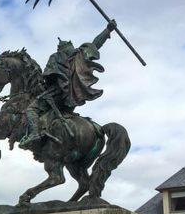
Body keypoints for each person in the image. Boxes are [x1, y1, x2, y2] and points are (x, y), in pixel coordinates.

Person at [20, 20, 117, 149]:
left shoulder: (57, 56)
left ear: (61, 49)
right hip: (70, 100)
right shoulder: (80, 55)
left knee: (31, 109)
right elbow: (96, 44)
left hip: (55, 95)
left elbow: (49, 77)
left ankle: (34, 133)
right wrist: (107, 30)